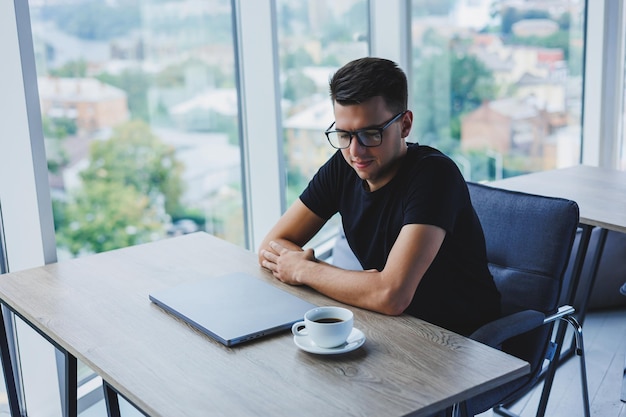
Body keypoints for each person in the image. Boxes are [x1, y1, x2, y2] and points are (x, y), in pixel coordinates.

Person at [258, 57, 500, 336]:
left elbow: (391, 295)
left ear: (405, 125)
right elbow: (270, 246)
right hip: (391, 329)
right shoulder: (343, 165)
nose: (355, 151)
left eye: (370, 134)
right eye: (344, 134)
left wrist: (304, 270)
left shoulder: (434, 175)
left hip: (462, 342)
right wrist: (365, 286)